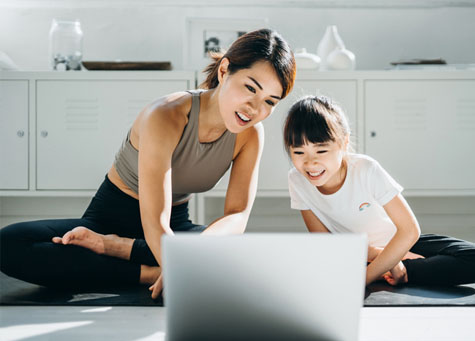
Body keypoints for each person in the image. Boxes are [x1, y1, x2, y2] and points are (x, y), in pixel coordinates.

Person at [0, 29, 296, 299]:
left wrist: (203, 247)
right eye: (250, 88)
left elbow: (237, 215)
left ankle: (116, 251)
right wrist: (188, 266)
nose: (255, 109)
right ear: (224, 70)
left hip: (172, 227)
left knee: (243, 252)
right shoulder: (165, 114)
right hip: (111, 219)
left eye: (270, 101)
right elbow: (155, 221)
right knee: (9, 245)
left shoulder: (251, 135)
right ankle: (152, 274)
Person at [283, 95, 475, 286]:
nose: (310, 163)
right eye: (298, 152)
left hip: (397, 242)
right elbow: (325, 243)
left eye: (321, 151)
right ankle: (398, 272)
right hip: (354, 254)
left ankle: (401, 271)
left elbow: (409, 230)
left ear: (343, 143)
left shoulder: (365, 169)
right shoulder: (297, 180)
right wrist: (377, 256)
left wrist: (366, 277)